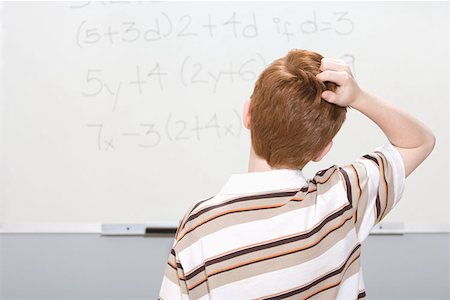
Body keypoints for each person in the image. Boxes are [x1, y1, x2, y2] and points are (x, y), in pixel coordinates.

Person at [158, 49, 435, 299]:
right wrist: (359, 97)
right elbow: (418, 141)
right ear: (323, 150)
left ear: (248, 114)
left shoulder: (199, 226)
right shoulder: (342, 199)